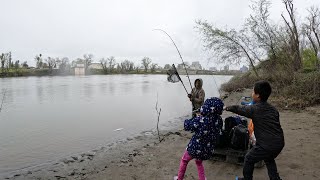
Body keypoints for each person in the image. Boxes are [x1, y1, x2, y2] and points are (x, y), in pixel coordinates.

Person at [225, 80, 284, 180]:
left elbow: (239, 108)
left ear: (258, 95)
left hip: (266, 145)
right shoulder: (274, 109)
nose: (252, 94)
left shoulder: (254, 109)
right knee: (269, 159)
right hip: (279, 143)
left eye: (253, 92)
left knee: (249, 158)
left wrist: (226, 107)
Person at [174, 97, 224, 180]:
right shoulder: (219, 120)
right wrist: (201, 116)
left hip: (194, 148)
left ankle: (179, 178)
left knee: (184, 160)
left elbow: (187, 126)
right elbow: (211, 125)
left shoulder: (200, 120)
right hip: (207, 150)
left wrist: (187, 119)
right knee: (199, 162)